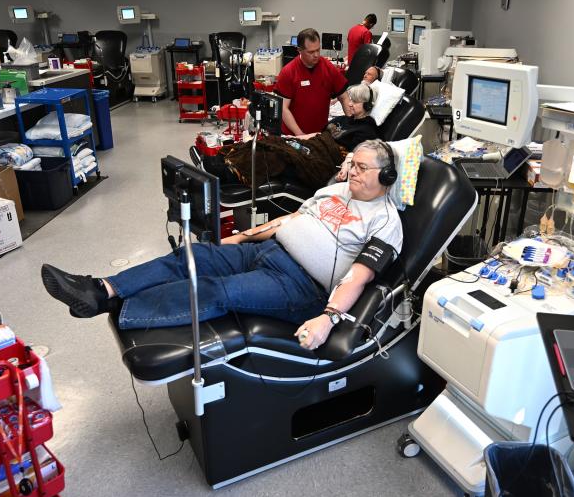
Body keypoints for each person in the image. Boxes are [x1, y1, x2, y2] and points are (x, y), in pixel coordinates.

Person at [40, 141, 402, 351]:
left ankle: (122, 306)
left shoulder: (386, 222)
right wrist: (237, 239)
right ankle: (101, 288)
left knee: (217, 290)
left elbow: (357, 278)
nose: (352, 171)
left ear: (386, 177)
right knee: (193, 255)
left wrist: (327, 318)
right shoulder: (335, 190)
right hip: (267, 250)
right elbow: (289, 220)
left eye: (362, 167)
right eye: (351, 164)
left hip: (300, 286)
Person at [207, 84, 379, 189]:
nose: (349, 103)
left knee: (279, 155)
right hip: (315, 146)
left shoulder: (367, 129)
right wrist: (294, 138)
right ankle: (222, 159)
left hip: (325, 160)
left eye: (355, 102)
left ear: (367, 105)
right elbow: (319, 135)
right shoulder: (344, 119)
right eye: (350, 99)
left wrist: (345, 167)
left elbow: (356, 154)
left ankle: (229, 173)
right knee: (272, 142)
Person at [275, 28, 349, 137]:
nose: (316, 55)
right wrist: (300, 134)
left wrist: (351, 124)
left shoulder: (328, 67)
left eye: (318, 50)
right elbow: (283, 108)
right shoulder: (288, 72)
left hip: (319, 134)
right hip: (294, 135)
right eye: (311, 52)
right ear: (299, 50)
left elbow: (344, 97)